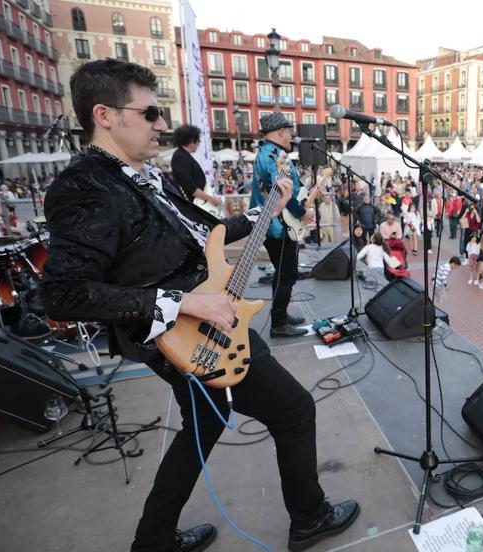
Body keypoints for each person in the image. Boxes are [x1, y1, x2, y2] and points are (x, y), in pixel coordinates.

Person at [41, 59, 358, 552]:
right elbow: (64, 292)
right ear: (105, 115)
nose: (162, 125)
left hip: (207, 317)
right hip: (184, 332)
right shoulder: (84, 187)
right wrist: (187, 302)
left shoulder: (147, 176)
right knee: (294, 410)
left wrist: (266, 210)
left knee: (205, 424)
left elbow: (203, 234)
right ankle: (310, 518)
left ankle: (153, 542)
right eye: (149, 113)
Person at [250, 112, 322, 339]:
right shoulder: (274, 156)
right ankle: (279, 323)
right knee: (286, 274)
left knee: (284, 273)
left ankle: (280, 315)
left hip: (273, 224)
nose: (291, 136)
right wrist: (303, 213)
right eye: (289, 131)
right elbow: (283, 191)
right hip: (278, 226)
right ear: (281, 131)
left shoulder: (265, 152)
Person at [170, 124, 222, 209]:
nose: (199, 142)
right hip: (190, 204)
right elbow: (190, 188)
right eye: (198, 140)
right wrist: (211, 199)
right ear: (191, 140)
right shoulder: (180, 157)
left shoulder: (184, 155)